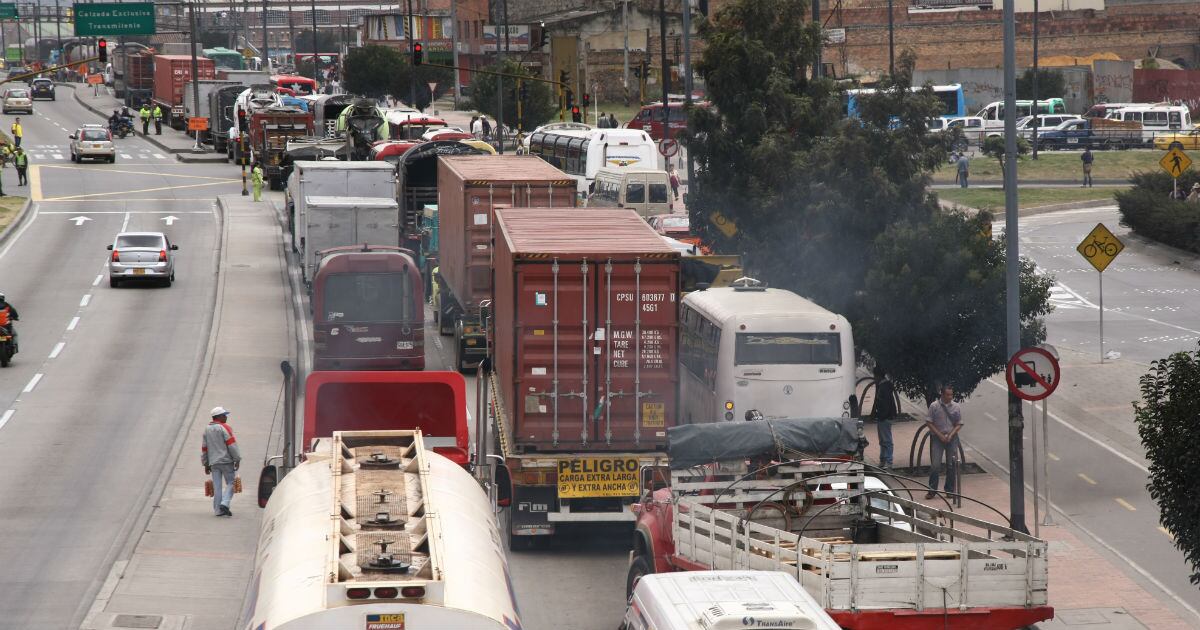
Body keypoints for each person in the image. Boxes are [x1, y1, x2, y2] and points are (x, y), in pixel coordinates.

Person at [201, 407, 242, 517]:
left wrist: (205, 463)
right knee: (231, 482)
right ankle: (225, 503)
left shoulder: (207, 429)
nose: (226, 417)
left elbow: (204, 448)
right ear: (218, 417)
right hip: (226, 461)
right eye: (224, 415)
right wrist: (237, 459)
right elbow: (231, 444)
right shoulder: (225, 428)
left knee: (217, 486)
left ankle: (218, 510)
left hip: (213, 463)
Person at [925, 385, 963, 499]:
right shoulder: (934, 406)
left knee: (951, 465)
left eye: (951, 394)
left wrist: (951, 435)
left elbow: (959, 423)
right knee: (935, 465)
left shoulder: (956, 406)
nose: (950, 397)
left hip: (952, 438)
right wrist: (940, 435)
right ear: (942, 394)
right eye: (948, 394)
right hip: (938, 438)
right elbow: (929, 422)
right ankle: (932, 490)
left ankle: (949, 490)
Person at [871, 368, 897, 470]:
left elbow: (884, 404)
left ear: (878, 376)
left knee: (886, 440)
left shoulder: (883, 387)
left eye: (874, 376)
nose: (874, 378)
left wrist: (881, 416)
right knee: (883, 439)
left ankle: (888, 461)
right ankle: (883, 459)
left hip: (885, 417)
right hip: (884, 416)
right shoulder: (884, 386)